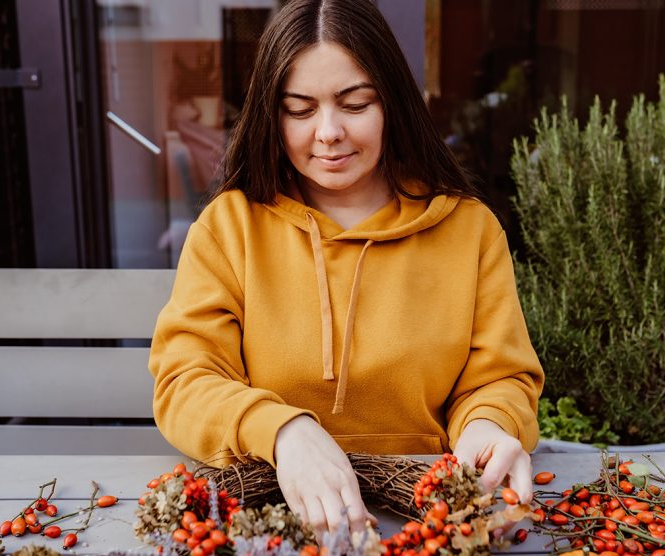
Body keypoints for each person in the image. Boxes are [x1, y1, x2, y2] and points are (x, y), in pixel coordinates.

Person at [148, 0, 544, 536]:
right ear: (272, 111)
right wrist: (284, 431)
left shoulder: (468, 230)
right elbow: (185, 379)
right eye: (300, 109)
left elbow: (498, 377)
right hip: (265, 522)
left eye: (355, 104)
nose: (329, 131)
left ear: (393, 104)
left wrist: (487, 426)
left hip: (430, 518)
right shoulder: (231, 226)